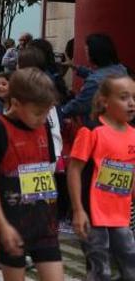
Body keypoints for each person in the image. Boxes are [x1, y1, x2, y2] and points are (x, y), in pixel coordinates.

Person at [0, 68, 63, 281]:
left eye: (46, 112)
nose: (42, 118)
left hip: (45, 225)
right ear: (16, 103)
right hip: (12, 225)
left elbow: (49, 171)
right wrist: (2, 225)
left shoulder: (42, 127)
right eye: (37, 113)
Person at [68, 74, 135, 280]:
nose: (131, 103)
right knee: (100, 271)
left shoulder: (133, 134)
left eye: (134, 97)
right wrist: (78, 210)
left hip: (121, 215)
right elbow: (74, 170)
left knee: (131, 268)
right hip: (93, 214)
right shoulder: (91, 131)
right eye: (124, 97)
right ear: (104, 101)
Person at [59, 33, 128, 124]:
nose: (86, 54)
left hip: (99, 127)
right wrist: (74, 67)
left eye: (87, 51)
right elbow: (98, 75)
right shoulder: (120, 69)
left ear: (95, 53)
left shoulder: (94, 82)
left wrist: (60, 112)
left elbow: (80, 105)